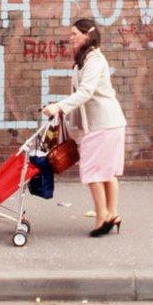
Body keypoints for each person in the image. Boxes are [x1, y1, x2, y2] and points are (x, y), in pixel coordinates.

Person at [42, 18, 127, 237]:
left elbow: (86, 92)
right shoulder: (85, 59)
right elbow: (80, 95)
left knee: (91, 171)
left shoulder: (94, 60)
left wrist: (59, 106)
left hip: (103, 123)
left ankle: (102, 217)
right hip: (105, 123)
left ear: (86, 35)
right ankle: (113, 213)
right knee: (106, 171)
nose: (70, 38)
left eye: (74, 34)